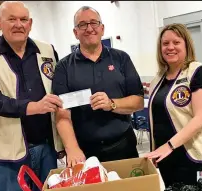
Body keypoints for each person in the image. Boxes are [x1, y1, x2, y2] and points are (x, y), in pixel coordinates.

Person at [0, 1, 64, 191]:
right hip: (9, 153)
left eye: (23, 19)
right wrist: (34, 107)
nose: (18, 24)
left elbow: (58, 91)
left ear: (30, 24)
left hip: (47, 146)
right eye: (11, 19)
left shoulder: (47, 50)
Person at [52, 6, 144, 167]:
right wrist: (72, 149)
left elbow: (138, 101)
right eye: (82, 24)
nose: (89, 28)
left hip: (123, 146)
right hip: (84, 151)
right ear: (75, 32)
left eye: (94, 23)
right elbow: (61, 113)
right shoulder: (64, 67)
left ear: (102, 29)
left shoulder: (121, 59)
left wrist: (112, 104)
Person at [144, 23, 202, 191]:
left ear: (186, 45)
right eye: (165, 43)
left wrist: (168, 146)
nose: (170, 47)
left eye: (176, 42)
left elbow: (201, 118)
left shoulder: (199, 73)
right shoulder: (158, 79)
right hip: (171, 159)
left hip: (201, 157)